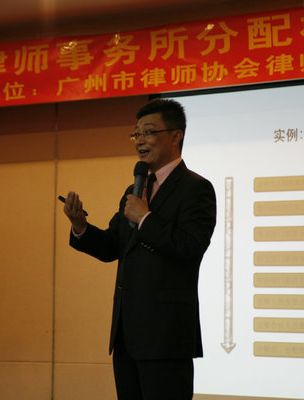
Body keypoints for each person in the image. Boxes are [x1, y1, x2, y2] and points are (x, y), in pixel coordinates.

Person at [62, 98, 217, 400]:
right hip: (126, 335)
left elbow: (191, 245)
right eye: (136, 134)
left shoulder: (196, 188)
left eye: (148, 132)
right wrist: (80, 225)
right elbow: (113, 246)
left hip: (166, 336)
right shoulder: (134, 190)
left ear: (176, 135)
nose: (140, 140)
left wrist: (145, 219)